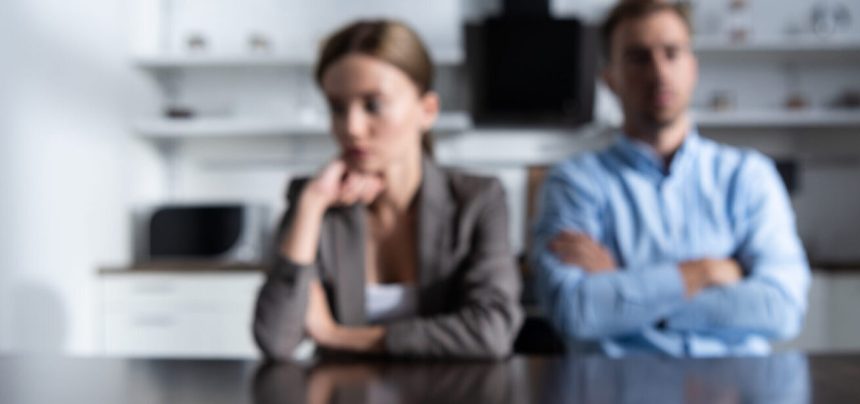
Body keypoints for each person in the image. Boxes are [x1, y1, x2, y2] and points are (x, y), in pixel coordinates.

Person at [530, 0, 810, 357]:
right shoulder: (573, 184)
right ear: (610, 79)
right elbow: (576, 311)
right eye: (638, 57)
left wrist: (627, 291)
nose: (659, 73)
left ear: (692, 67)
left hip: (736, 390)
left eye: (672, 53)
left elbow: (782, 309)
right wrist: (703, 273)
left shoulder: (748, 177)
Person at [253, 19, 523, 360]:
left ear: (427, 111)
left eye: (373, 105)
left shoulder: (477, 200)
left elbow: (492, 332)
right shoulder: (314, 200)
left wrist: (337, 336)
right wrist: (311, 204)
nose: (351, 127)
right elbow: (275, 339)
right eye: (337, 107)